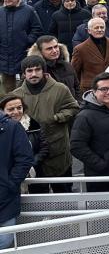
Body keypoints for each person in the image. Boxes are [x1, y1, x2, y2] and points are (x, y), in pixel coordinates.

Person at [12, 56, 79, 193]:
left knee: (64, 195)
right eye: (29, 71)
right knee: (37, 196)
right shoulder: (16, 95)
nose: (34, 74)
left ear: (44, 71)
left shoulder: (60, 89)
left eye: (37, 70)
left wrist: (57, 117)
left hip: (58, 151)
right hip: (33, 155)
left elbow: (73, 107)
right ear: (24, 74)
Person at [0, 105, 33, 249]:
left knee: (5, 241)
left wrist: (9, 184)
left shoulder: (12, 128)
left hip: (4, 198)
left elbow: (24, 159)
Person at [0, 0, 42, 93]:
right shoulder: (1, 11)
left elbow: (37, 29)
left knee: (26, 82)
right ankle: (9, 104)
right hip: (4, 54)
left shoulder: (29, 10)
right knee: (7, 85)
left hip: (23, 52)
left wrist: (27, 41)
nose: (7, 0)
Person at [0, 94, 49, 181]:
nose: (16, 112)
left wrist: (30, 165)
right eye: (11, 109)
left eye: (19, 108)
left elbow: (44, 148)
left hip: (35, 175)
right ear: (2, 111)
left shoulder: (34, 126)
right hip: (7, 178)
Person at [71, 17, 109, 96]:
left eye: (102, 27)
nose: (100, 30)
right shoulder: (80, 49)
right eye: (96, 27)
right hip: (91, 89)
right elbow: (74, 72)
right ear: (89, 31)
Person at [27, 35, 78, 99]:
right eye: (49, 49)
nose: (54, 51)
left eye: (56, 47)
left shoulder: (67, 65)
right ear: (40, 51)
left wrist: (77, 104)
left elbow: (76, 87)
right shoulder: (34, 71)